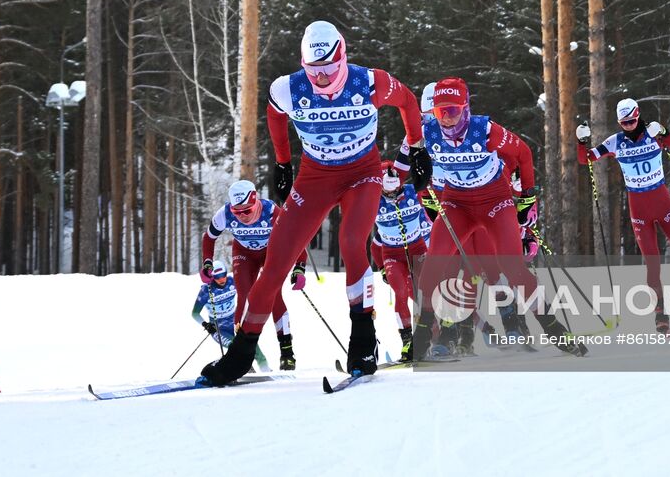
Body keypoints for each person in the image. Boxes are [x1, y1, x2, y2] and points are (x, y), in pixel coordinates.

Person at [201, 21, 424, 385]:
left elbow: (408, 101)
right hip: (315, 177)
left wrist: (417, 148)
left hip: (362, 174)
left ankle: (363, 339)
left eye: (330, 70)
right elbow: (274, 115)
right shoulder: (288, 89)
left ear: (343, 59)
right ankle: (241, 353)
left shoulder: (370, 82)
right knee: (277, 259)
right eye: (314, 72)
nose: (321, 80)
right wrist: (284, 161)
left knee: (353, 242)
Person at [405, 77, 585, 359]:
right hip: (457, 203)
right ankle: (424, 334)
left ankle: (554, 328)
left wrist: (527, 198)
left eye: (452, 111)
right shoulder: (427, 132)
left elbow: (523, 153)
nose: (447, 119)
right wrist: (421, 184)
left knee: (511, 269)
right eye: (441, 112)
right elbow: (411, 166)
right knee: (435, 262)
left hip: (494, 201)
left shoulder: (485, 130)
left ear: (465, 109)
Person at [577, 97, 670, 333]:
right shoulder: (614, 142)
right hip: (639, 209)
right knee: (652, 264)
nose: (628, 125)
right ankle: (661, 313)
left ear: (638, 116)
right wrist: (582, 141)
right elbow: (585, 159)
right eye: (624, 122)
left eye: (632, 120)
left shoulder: (652, 133)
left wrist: (666, 133)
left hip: (663, 203)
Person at [202, 179, 301, 370]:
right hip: (244, 253)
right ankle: (241, 354)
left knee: (273, 296)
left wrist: (300, 266)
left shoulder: (271, 211)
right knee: (244, 297)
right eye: (237, 212)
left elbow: (295, 236)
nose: (242, 216)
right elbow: (209, 237)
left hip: (270, 252)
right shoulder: (224, 213)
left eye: (246, 210)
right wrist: (207, 262)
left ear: (255, 201)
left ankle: (287, 352)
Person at [371, 163, 432, 360]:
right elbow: (374, 246)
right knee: (401, 292)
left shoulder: (412, 191)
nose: (393, 193)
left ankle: (436, 338)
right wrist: (381, 268)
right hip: (391, 254)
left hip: (417, 249)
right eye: (388, 190)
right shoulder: (373, 200)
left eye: (396, 188)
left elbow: (434, 192)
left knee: (425, 293)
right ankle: (408, 342)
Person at [191, 260, 269, 368]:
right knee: (237, 347)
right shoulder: (206, 290)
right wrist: (205, 324)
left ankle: (265, 369)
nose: (221, 279)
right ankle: (243, 370)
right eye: (217, 277)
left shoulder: (232, 282)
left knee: (253, 346)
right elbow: (194, 313)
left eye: (223, 276)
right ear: (213, 277)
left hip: (235, 322)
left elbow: (248, 289)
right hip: (219, 328)